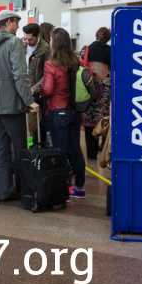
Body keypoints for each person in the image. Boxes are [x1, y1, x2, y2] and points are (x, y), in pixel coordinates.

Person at [0, 10, 35, 202]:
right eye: (16, 22)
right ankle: (24, 190)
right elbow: (20, 76)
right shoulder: (14, 43)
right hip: (12, 106)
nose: (18, 26)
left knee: (2, 149)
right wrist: (29, 101)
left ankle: (4, 190)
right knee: (20, 149)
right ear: (9, 22)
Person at [42, 28, 87, 198]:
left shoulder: (51, 63)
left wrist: (40, 92)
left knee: (61, 151)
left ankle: (63, 187)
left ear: (54, 42)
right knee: (75, 149)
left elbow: (48, 89)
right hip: (75, 111)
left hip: (58, 111)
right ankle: (80, 187)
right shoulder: (76, 61)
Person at [83, 27, 112, 159]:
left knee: (89, 118)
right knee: (102, 118)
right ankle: (102, 147)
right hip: (104, 89)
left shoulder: (86, 49)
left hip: (88, 87)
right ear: (108, 38)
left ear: (96, 35)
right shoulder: (111, 51)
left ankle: (91, 152)